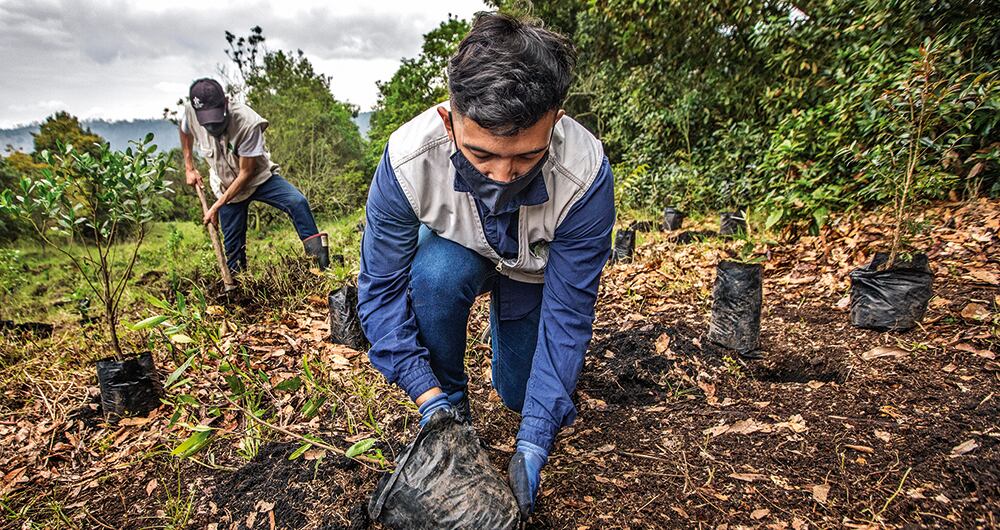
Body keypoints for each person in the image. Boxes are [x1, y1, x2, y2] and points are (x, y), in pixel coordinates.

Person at [357, 13, 615, 517]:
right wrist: (426, 395)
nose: (501, 175)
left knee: (522, 395)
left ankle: (510, 345)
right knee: (433, 276)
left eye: (523, 158)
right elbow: (380, 290)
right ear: (449, 119)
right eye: (481, 155)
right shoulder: (406, 162)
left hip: (530, 270)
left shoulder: (585, 177)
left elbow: (569, 312)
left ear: (556, 120)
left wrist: (536, 439)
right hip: (459, 250)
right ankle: (451, 409)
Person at [178, 78, 330, 273]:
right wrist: (189, 166)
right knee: (233, 250)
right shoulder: (191, 112)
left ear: (225, 103)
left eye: (216, 121)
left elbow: (246, 173)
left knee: (297, 202)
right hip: (225, 185)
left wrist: (217, 206)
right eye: (207, 123)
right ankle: (238, 287)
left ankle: (321, 268)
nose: (212, 128)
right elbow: (185, 130)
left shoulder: (248, 123)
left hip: (258, 178)